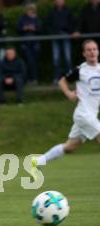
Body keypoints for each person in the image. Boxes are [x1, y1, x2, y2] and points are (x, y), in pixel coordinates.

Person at [32, 40, 100, 171]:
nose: (92, 52)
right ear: (84, 53)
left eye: (94, 49)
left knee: (70, 147)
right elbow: (62, 81)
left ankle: (38, 161)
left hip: (90, 115)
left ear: (98, 51)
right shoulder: (80, 70)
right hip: (83, 114)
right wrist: (69, 94)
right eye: (89, 50)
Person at [46, 0, 78, 84]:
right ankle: (57, 78)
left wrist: (70, 31)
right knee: (56, 59)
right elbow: (47, 24)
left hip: (66, 35)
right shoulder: (51, 12)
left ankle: (70, 77)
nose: (59, 1)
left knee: (68, 58)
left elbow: (73, 22)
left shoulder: (69, 11)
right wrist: (52, 33)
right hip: (55, 36)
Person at [16, 3, 41, 84]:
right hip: (25, 44)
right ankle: (27, 79)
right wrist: (24, 28)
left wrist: (34, 28)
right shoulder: (22, 18)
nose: (30, 11)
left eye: (31, 10)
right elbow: (18, 29)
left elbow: (41, 29)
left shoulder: (36, 18)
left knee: (34, 62)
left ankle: (35, 79)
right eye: (28, 10)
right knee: (28, 62)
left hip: (35, 44)